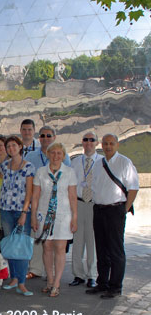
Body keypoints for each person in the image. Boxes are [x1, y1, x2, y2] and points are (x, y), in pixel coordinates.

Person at [87, 134, 138, 299]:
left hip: (115, 210)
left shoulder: (125, 162)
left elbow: (133, 188)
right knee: (101, 248)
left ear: (117, 145)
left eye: (111, 143)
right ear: (102, 145)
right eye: (106, 143)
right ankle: (102, 283)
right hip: (99, 210)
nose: (108, 146)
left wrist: (124, 209)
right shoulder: (98, 163)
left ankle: (115, 286)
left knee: (115, 250)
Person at [31, 143, 78, 297]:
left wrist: (74, 217)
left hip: (63, 216)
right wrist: (33, 216)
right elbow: (36, 196)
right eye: (53, 153)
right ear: (48, 154)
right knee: (47, 247)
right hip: (44, 214)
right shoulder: (41, 172)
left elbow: (72, 197)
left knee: (60, 248)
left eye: (59, 153)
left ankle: (57, 283)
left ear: (63, 155)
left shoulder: (69, 172)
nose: (56, 156)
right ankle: (49, 280)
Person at [25, 125, 70, 280]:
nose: (45, 138)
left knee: (55, 244)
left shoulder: (64, 156)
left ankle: (51, 274)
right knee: (40, 241)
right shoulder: (31, 156)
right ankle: (36, 269)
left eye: (48, 136)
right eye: (43, 136)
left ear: (54, 137)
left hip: (59, 207)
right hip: (39, 204)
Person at [0, 135, 35, 296]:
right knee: (10, 244)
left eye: (14, 145)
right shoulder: (4, 166)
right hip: (5, 209)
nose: (11, 149)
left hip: (21, 210)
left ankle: (21, 281)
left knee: (21, 245)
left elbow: (29, 192)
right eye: (9, 146)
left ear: (20, 147)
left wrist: (25, 212)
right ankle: (13, 278)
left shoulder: (28, 167)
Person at [70, 132, 100, 288]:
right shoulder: (74, 162)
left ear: (97, 143)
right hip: (79, 203)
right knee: (78, 241)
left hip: (95, 205)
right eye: (86, 140)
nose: (88, 143)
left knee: (92, 241)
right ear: (82, 142)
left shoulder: (102, 162)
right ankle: (78, 275)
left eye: (92, 140)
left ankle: (92, 275)